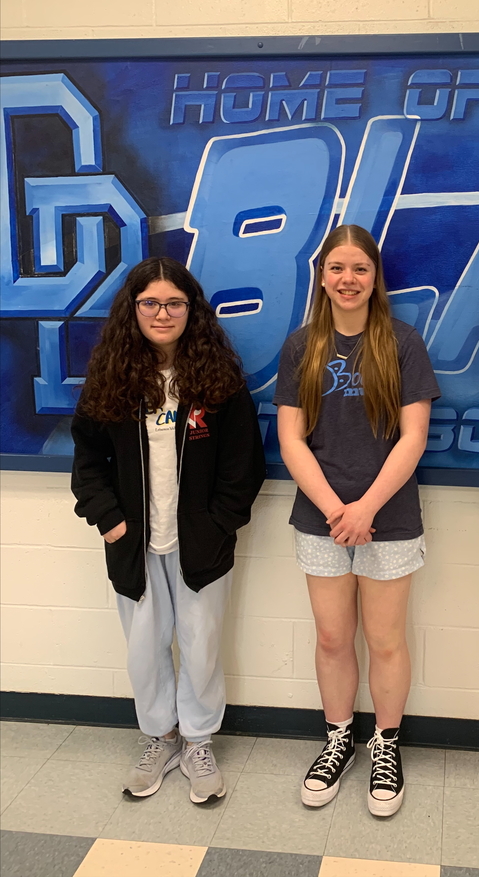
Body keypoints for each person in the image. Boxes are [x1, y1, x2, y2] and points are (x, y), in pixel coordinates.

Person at [71, 257, 265, 804]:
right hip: (133, 544)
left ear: (191, 309)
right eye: (150, 303)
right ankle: (160, 736)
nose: (162, 313)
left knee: (201, 646)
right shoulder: (110, 378)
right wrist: (109, 522)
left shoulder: (218, 381)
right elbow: (87, 462)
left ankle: (198, 741)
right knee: (144, 648)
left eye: (174, 303)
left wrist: (221, 524)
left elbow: (243, 464)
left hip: (200, 545)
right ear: (133, 309)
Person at [275, 224, 440, 816]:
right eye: (338, 268)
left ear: (376, 278)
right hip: (321, 517)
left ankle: (385, 744)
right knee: (331, 637)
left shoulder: (402, 342)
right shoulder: (301, 346)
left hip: (387, 519)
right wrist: (334, 511)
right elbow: (291, 439)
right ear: (323, 276)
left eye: (360, 269)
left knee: (385, 639)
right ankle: (338, 736)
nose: (348, 280)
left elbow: (413, 435)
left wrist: (365, 509)